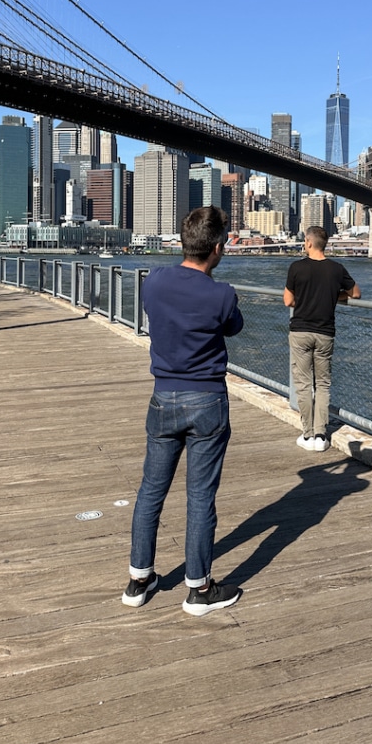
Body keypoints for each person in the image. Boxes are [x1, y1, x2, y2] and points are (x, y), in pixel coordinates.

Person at [122, 206, 244, 616]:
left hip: (163, 397)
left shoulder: (153, 282)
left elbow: (157, 314)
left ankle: (139, 580)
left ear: (182, 242)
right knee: (200, 496)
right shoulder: (222, 294)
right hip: (207, 400)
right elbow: (233, 326)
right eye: (223, 242)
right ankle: (199, 588)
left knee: (151, 490)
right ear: (215, 248)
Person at [283, 226, 361, 453]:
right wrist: (331, 297)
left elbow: (288, 300)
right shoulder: (337, 269)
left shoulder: (296, 267)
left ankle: (307, 435)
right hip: (325, 332)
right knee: (323, 384)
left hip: (300, 332)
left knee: (304, 385)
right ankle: (320, 434)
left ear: (308, 242)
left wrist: (306, 300)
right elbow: (355, 293)